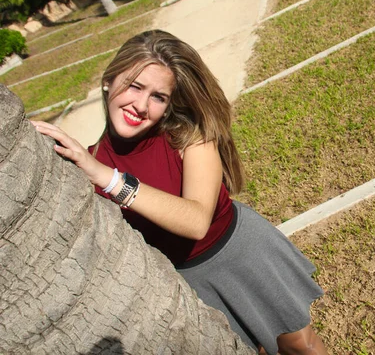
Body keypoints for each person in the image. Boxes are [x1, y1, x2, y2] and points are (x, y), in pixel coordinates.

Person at [32, 30, 327, 355]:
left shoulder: (189, 137)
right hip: (181, 280)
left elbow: (197, 220)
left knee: (300, 346)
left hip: (238, 252)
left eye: (158, 97)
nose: (141, 106)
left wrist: (107, 177)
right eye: (134, 86)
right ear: (108, 80)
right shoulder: (91, 163)